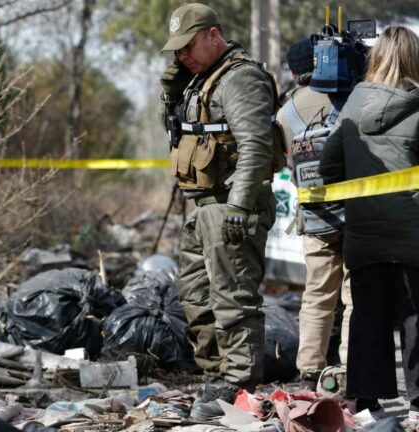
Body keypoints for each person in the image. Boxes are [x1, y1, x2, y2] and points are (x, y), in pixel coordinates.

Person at [159, 3, 278, 420]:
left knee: (234, 299)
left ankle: (239, 385)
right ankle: (217, 375)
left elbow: (256, 147)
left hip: (231, 205)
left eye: (188, 46)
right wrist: (171, 92)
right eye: (176, 50)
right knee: (195, 297)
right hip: (201, 205)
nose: (182, 56)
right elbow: (178, 131)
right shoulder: (199, 79)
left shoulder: (240, 77)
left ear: (213, 35)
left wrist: (240, 206)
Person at [320, 25, 419, 421]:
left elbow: (328, 166)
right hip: (413, 235)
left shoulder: (353, 105)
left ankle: (366, 402)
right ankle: (418, 405)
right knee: (415, 318)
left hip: (363, 234)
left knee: (367, 316)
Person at [276, 38, 352, 390]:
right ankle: (352, 372)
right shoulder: (349, 98)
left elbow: (281, 163)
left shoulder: (284, 113)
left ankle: (308, 374)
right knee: (355, 298)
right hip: (355, 212)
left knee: (317, 296)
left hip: (315, 217)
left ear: (294, 73)